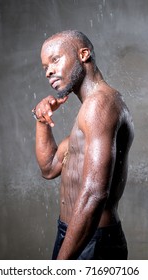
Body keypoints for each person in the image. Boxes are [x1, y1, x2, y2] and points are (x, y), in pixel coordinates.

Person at [32, 30, 134, 260]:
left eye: (55, 60)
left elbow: (95, 194)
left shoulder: (100, 105)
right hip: (74, 235)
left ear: (83, 54)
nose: (49, 71)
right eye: (45, 67)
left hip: (94, 240)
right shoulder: (89, 109)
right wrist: (41, 121)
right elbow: (49, 168)